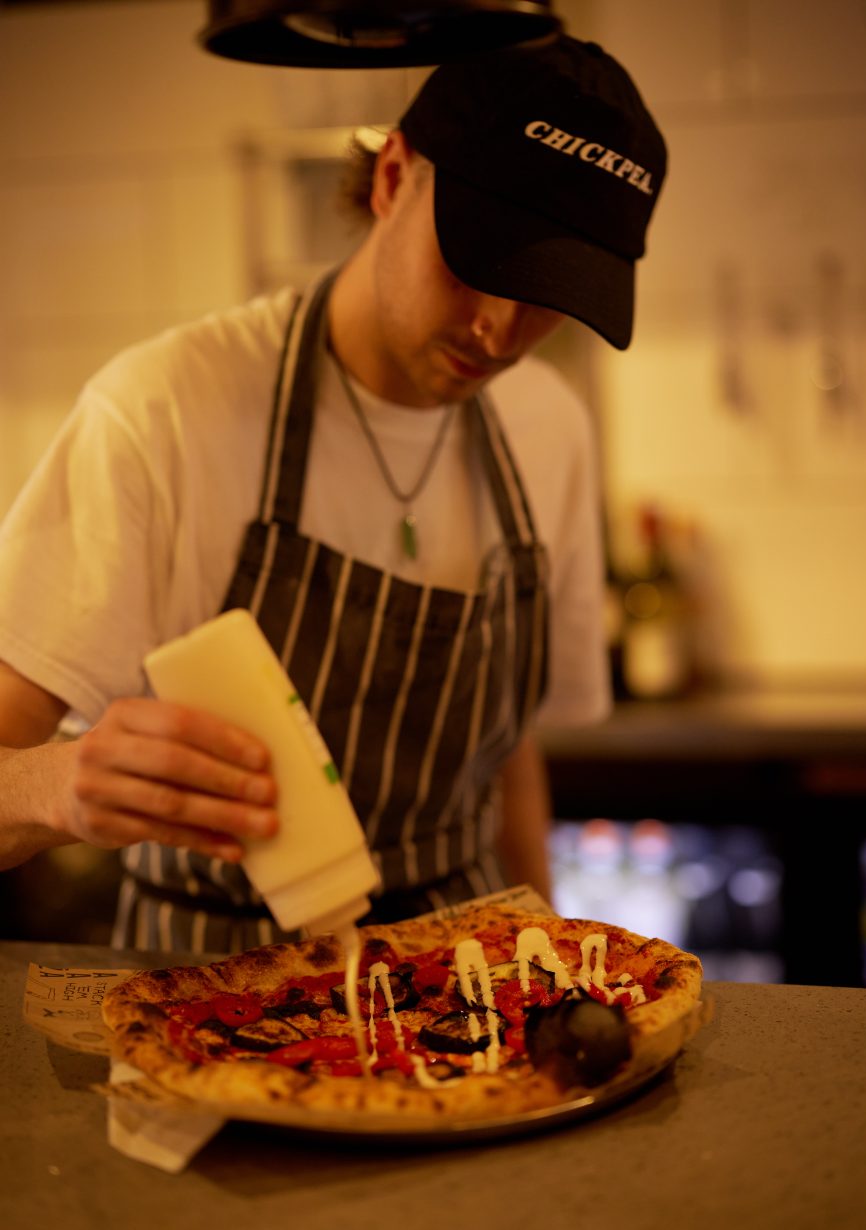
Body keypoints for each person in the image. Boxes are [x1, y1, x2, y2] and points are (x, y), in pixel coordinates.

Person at [0, 35, 667, 952]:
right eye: (481, 263)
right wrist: (58, 786)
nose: (498, 329)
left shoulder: (549, 428)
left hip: (465, 985)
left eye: (550, 293)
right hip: (213, 988)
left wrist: (546, 961)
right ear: (393, 176)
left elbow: (509, 760)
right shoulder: (164, 411)